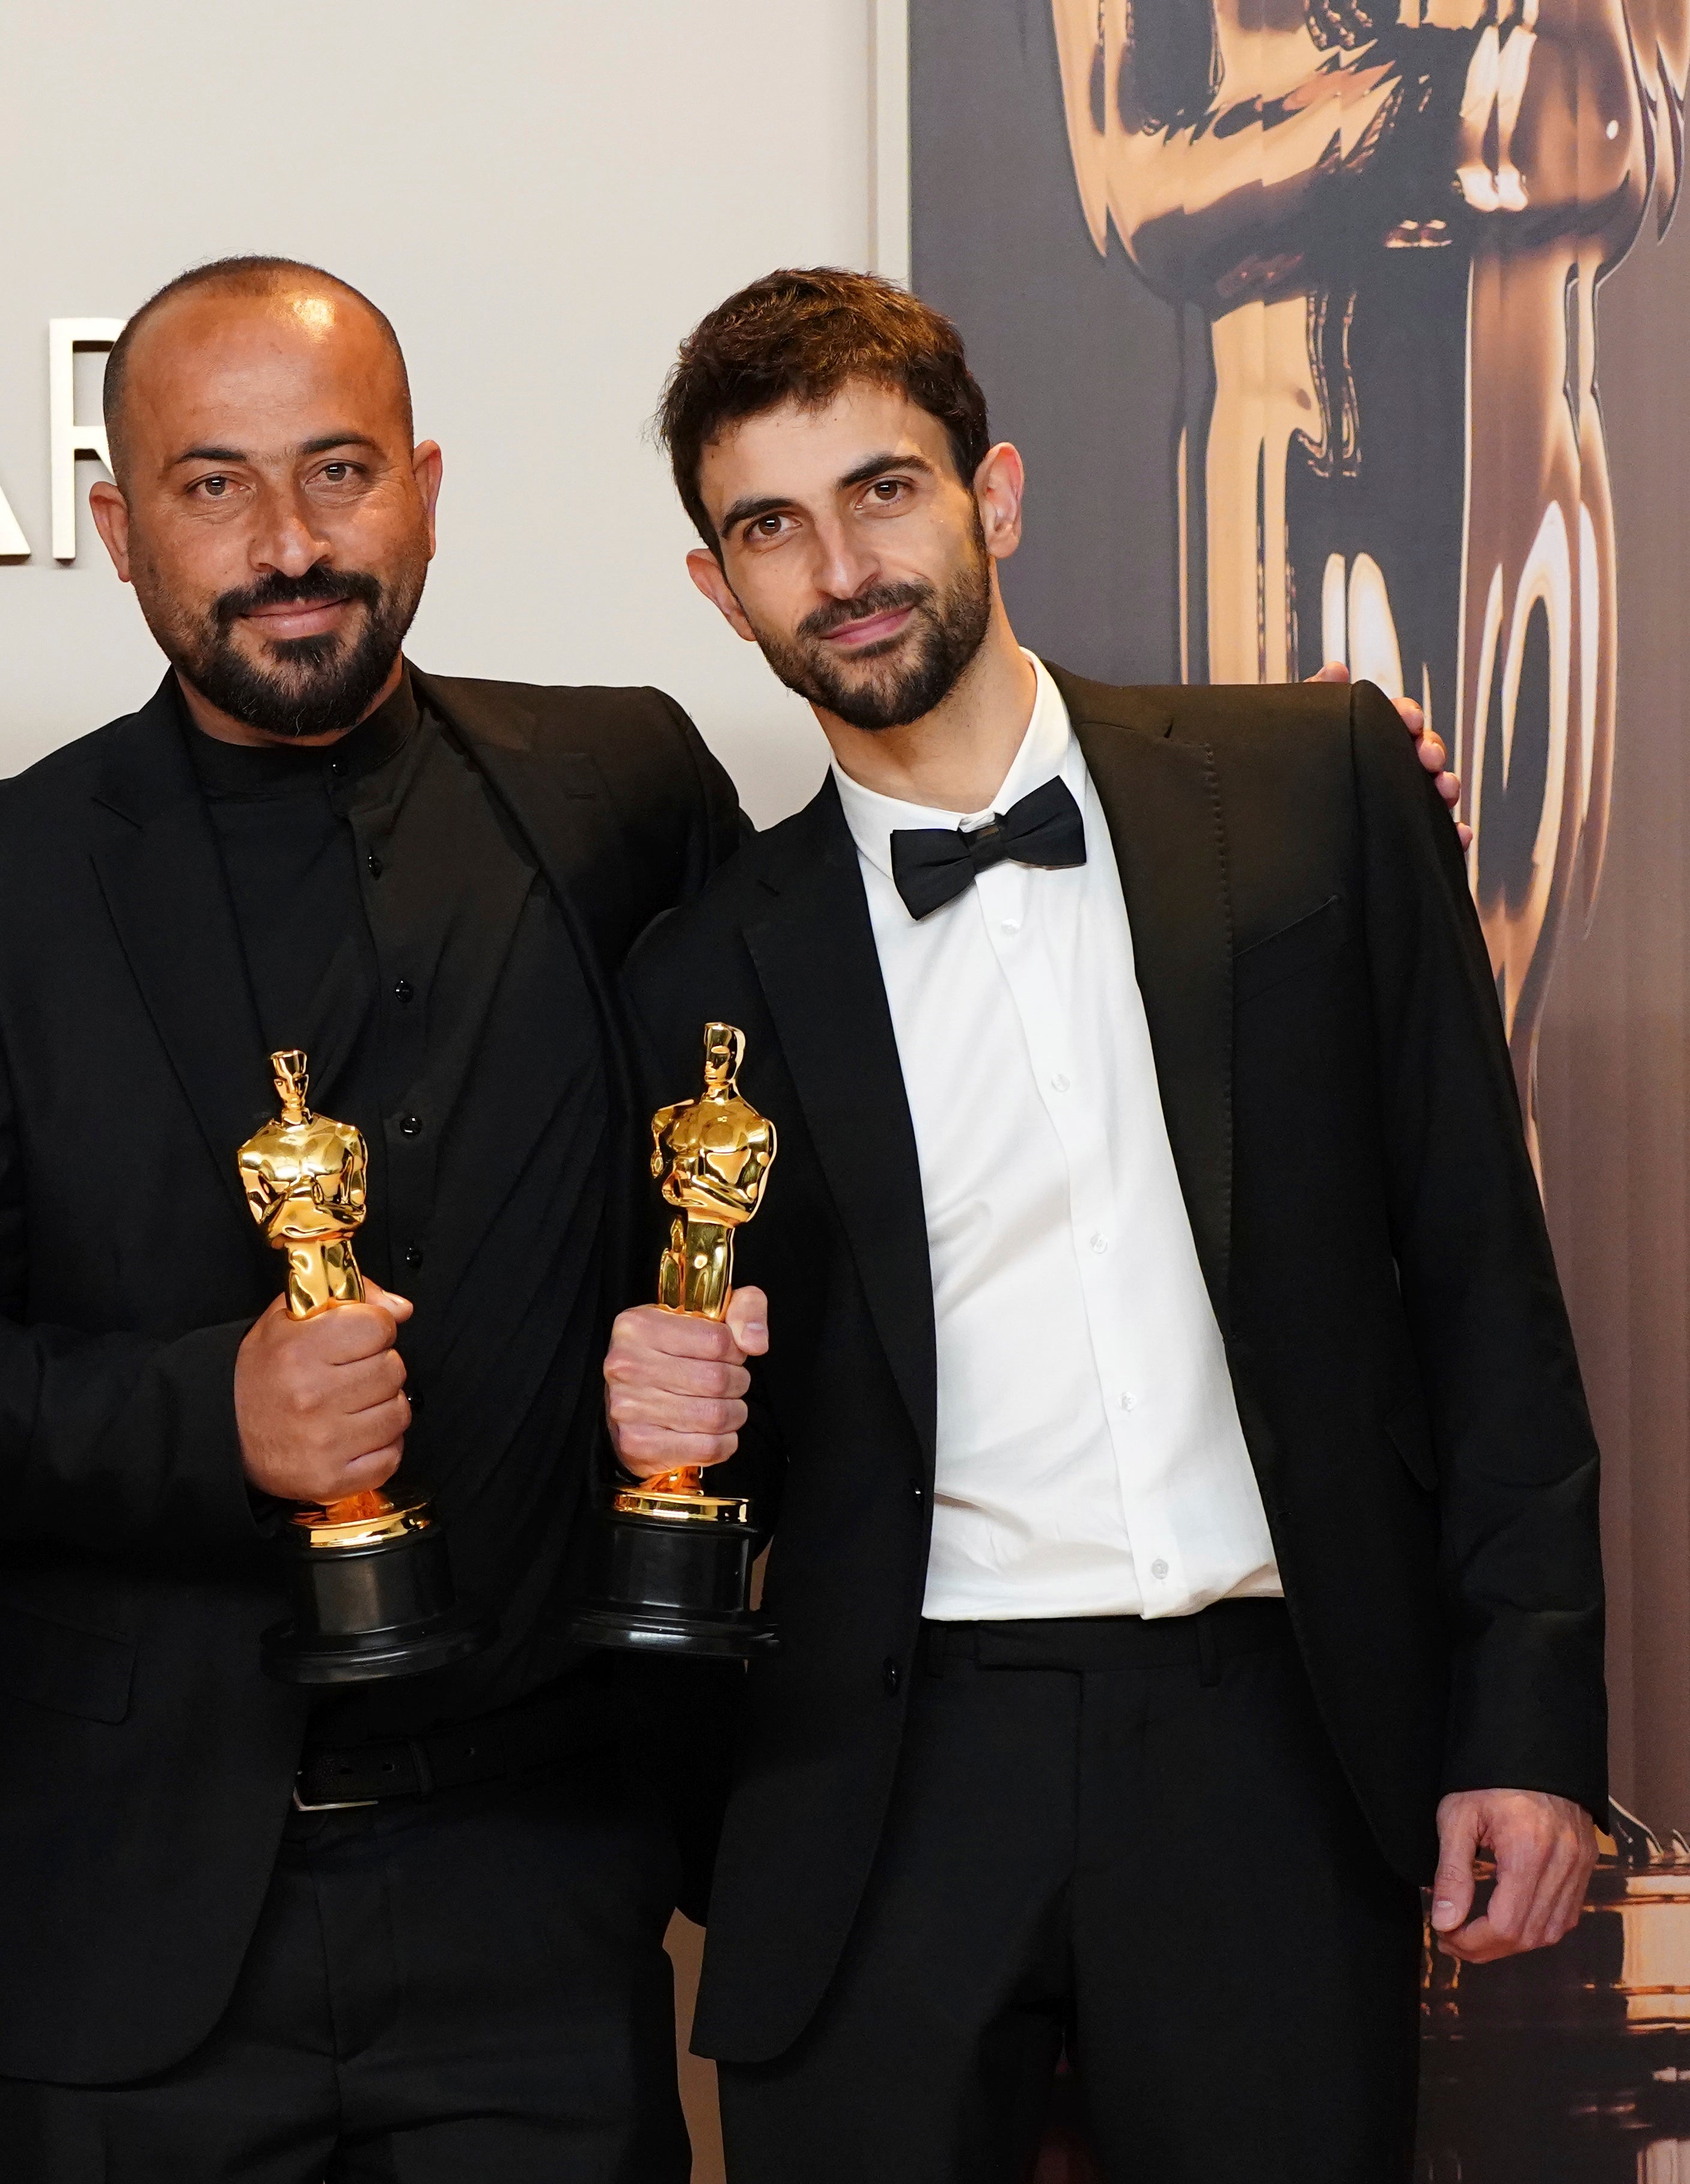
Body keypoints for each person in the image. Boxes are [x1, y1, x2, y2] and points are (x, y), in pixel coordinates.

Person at [599, 267, 1608, 2183]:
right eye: (772, 526)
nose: (843, 563)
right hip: (875, 1769)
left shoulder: (1319, 791)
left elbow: (1486, 1283)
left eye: (885, 489)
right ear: (720, 589)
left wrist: (1530, 1716)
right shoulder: (695, 975)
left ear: (999, 493)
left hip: (1266, 1733)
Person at [0, 256, 748, 2182]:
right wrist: (212, 1417)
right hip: (118, 1928)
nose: (288, 544)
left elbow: (848, 1045)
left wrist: (1305, 795)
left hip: (543, 1906)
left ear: (424, 480)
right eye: (213, 485)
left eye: (339, 472)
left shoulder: (623, 789)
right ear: (114, 524)